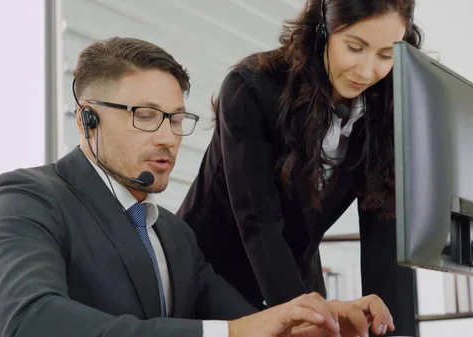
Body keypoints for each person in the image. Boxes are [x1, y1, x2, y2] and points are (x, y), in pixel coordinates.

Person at [0, 37, 395, 337]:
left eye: (177, 120)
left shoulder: (176, 237)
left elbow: (251, 323)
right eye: (145, 115)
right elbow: (28, 322)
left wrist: (317, 322)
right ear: (87, 119)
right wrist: (228, 333)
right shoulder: (25, 200)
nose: (167, 138)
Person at [177, 0, 422, 334]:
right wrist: (302, 314)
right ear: (324, 30)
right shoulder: (251, 88)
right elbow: (258, 221)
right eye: (354, 47)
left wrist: (393, 330)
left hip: (294, 271)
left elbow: (386, 236)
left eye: (385, 54)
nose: (367, 71)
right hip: (212, 271)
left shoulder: (384, 111)